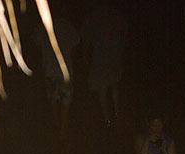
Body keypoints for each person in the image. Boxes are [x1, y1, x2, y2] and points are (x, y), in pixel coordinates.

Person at [33, 2, 79, 138]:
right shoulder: (68, 27)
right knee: (65, 103)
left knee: (53, 101)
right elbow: (76, 45)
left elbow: (35, 44)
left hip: (50, 71)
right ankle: (62, 131)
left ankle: (56, 126)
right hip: (65, 71)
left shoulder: (43, 27)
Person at [81, 1, 128, 127]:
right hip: (114, 55)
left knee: (102, 87)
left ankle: (107, 119)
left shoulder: (93, 16)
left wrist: (85, 56)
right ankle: (116, 114)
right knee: (113, 84)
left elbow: (86, 39)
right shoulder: (116, 14)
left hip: (100, 57)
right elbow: (124, 34)